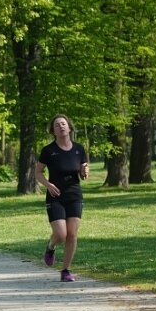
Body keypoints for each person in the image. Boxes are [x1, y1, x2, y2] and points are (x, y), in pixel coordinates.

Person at [34, 114, 89, 282]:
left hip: (74, 195)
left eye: (63, 124)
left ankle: (66, 270)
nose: (61, 127)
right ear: (53, 131)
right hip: (55, 196)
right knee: (60, 234)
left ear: (70, 128)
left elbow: (84, 170)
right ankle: (50, 247)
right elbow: (38, 172)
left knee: (72, 234)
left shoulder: (79, 149)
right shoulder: (48, 151)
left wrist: (85, 172)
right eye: (57, 125)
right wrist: (48, 185)